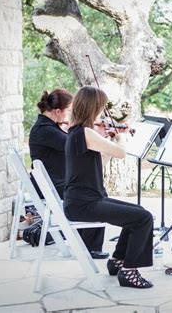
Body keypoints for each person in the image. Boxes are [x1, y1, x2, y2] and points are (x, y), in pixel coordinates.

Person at [63, 86, 154, 289]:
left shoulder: (77, 132)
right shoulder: (86, 132)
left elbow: (99, 163)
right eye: (102, 108)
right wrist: (121, 137)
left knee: (138, 213)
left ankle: (118, 261)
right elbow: (121, 153)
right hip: (85, 204)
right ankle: (129, 271)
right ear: (92, 107)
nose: (103, 113)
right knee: (143, 218)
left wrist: (108, 140)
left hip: (83, 200)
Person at [29, 89, 109, 260]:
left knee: (92, 190)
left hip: (53, 181)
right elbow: (75, 144)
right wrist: (96, 136)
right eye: (69, 111)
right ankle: (90, 247)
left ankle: (87, 242)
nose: (71, 115)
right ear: (58, 112)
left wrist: (93, 133)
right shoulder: (45, 130)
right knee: (92, 193)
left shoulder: (47, 127)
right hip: (50, 185)